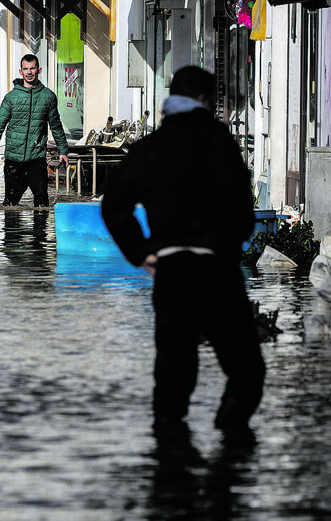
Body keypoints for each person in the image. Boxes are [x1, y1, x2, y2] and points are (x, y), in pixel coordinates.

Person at [101, 66, 265, 437]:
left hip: (172, 271)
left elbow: (114, 206)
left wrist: (142, 252)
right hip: (218, 269)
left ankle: (171, 462)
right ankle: (232, 446)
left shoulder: (151, 147)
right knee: (245, 370)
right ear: (205, 100)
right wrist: (232, 244)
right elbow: (243, 209)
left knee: (174, 373)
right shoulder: (220, 142)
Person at [0, 54, 69, 207]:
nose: (29, 72)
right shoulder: (11, 98)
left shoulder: (48, 97)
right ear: (20, 71)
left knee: (42, 205)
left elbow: (56, 126)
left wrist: (63, 151)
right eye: (26, 69)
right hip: (13, 161)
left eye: (32, 68)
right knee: (10, 206)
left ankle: (39, 231)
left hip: (36, 160)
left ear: (39, 70)